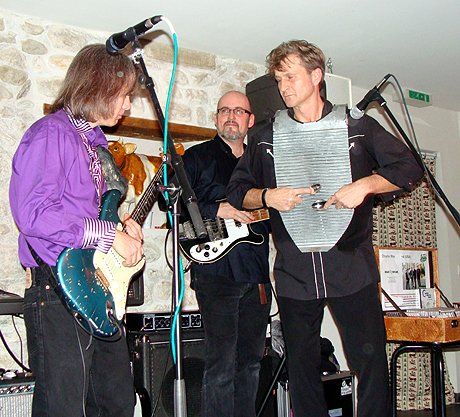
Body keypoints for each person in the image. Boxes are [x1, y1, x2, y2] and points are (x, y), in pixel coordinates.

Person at [227, 40, 424, 417]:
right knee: (302, 370)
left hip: (352, 267)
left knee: (370, 366)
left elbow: (409, 168)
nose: (283, 86)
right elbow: (238, 193)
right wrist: (268, 196)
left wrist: (365, 185)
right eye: (278, 78)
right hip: (294, 272)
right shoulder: (265, 136)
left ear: (316, 75)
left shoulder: (357, 126)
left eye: (290, 76)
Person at [9, 44, 144, 417]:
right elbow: (34, 213)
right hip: (56, 287)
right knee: (64, 407)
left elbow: (92, 215)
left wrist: (122, 230)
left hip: (96, 291)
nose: (129, 105)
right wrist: (108, 234)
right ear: (98, 86)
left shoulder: (97, 145)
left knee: (116, 402)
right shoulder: (51, 133)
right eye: (124, 94)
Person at [181, 91, 272, 417]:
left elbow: (276, 217)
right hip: (216, 273)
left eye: (239, 111)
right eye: (224, 110)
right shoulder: (195, 158)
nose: (231, 116)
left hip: (257, 276)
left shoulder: (263, 166)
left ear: (250, 120)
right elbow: (174, 211)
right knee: (220, 365)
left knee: (250, 364)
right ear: (216, 118)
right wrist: (217, 208)